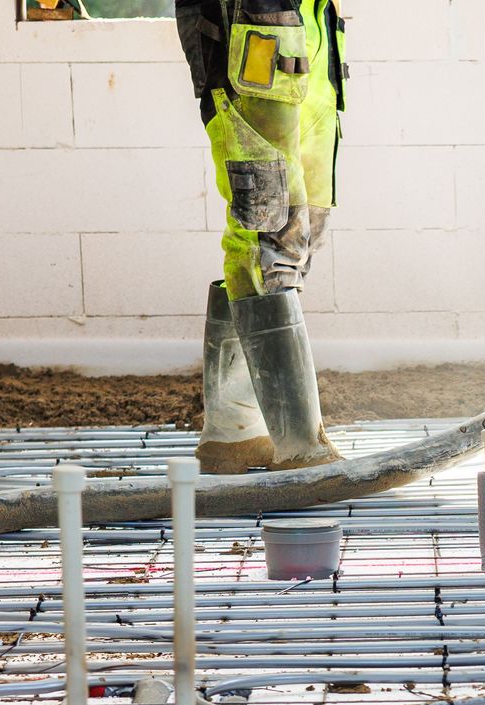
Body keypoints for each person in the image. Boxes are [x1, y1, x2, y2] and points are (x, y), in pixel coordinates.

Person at [175, 0, 347, 473]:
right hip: (250, 38)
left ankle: (235, 431)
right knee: (266, 231)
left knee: (304, 229)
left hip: (305, 29)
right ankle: (299, 443)